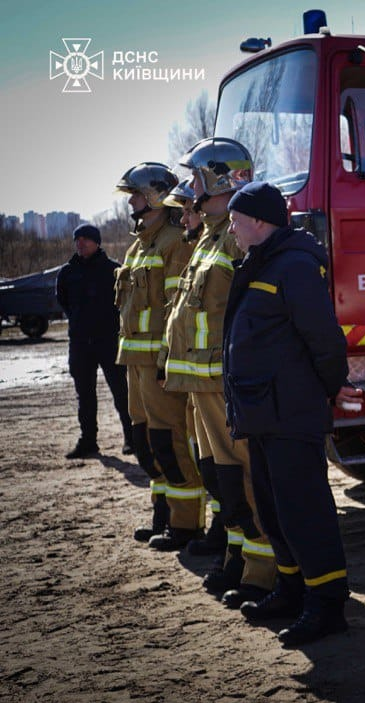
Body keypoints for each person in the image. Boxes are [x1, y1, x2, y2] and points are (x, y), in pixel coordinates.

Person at [222, 181, 358, 647]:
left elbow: (324, 339)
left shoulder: (295, 265)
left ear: (260, 222)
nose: (234, 231)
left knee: (305, 513)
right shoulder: (263, 261)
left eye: (238, 222)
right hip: (264, 413)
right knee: (276, 512)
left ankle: (326, 605)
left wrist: (330, 388)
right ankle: (293, 590)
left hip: (290, 413)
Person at [164, 137, 275, 609]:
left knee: (247, 477)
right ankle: (237, 556)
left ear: (220, 178)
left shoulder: (238, 236)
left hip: (225, 381)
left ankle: (263, 571)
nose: (190, 188)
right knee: (222, 479)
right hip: (201, 382)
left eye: (196, 178)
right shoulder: (210, 235)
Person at [112, 163, 204, 550]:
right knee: (145, 442)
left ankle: (185, 525)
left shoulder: (174, 242)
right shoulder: (138, 244)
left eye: (135, 194)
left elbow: (174, 310)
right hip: (134, 362)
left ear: (153, 197)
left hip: (159, 363)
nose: (130, 202)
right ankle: (162, 514)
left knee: (170, 441)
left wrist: (168, 359)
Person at [161, 178, 227, 557]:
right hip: (193, 371)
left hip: (211, 372)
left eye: (188, 209)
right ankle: (224, 534)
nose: (183, 217)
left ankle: (231, 540)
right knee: (210, 462)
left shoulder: (222, 243)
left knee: (228, 466)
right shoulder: (201, 244)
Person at [56, 223, 131, 459]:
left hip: (108, 342)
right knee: (85, 396)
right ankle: (88, 442)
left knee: (121, 392)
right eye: (77, 239)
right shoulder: (67, 273)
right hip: (80, 344)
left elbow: (123, 305)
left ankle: (132, 439)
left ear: (97, 242)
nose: (81, 243)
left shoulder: (113, 270)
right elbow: (64, 302)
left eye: (86, 239)